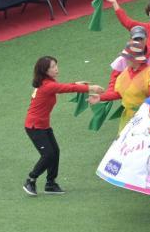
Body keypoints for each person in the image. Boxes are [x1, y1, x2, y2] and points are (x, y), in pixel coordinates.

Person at [23, 56, 101, 196]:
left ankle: (50, 184)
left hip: (43, 125)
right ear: (45, 70)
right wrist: (90, 88)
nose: (56, 68)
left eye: (56, 65)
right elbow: (65, 88)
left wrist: (76, 83)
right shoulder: (48, 85)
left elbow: (62, 87)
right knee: (48, 155)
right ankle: (31, 180)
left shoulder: (46, 83)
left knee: (55, 152)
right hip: (34, 126)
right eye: (53, 67)